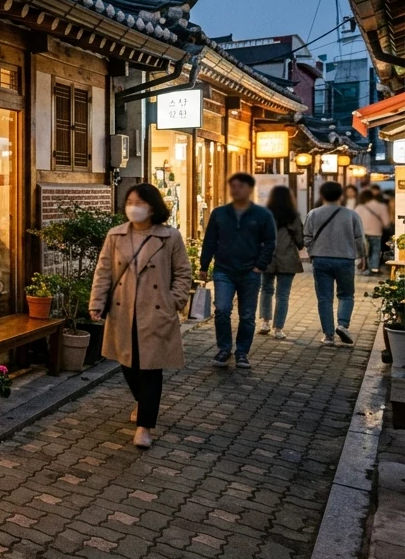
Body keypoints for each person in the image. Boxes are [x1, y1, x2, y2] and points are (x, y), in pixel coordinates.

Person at [89, 183, 191, 449]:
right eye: (130, 202)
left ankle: (144, 426)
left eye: (140, 202)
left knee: (150, 369)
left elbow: (183, 273)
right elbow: (103, 272)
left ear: (153, 206)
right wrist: (97, 303)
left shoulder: (170, 237)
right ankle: (142, 401)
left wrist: (174, 301)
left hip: (155, 311)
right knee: (127, 363)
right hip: (123, 311)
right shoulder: (116, 235)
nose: (133, 207)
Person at [199, 173, 276, 369]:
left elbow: (270, 242)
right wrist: (203, 265)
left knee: (247, 315)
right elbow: (209, 241)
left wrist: (260, 265)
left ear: (249, 189)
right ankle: (224, 348)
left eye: (240, 186)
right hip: (223, 269)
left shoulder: (262, 214)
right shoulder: (219, 213)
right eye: (233, 186)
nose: (236, 190)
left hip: (250, 271)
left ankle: (242, 352)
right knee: (222, 310)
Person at [305, 181, 367, 347]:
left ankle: (329, 336)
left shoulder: (314, 213)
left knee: (324, 298)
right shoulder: (351, 215)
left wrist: (313, 252)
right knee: (346, 295)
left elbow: (307, 237)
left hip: (321, 259)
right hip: (345, 259)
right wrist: (363, 257)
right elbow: (359, 238)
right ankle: (342, 325)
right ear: (341, 195)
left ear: (322, 195)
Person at [258, 185, 304, 340]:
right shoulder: (293, 216)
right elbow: (300, 240)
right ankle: (278, 328)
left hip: (267, 257)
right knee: (283, 294)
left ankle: (265, 322)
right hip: (288, 257)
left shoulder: (264, 214)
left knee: (266, 289)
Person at [356, 187, 391, 275]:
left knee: (364, 252)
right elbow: (386, 222)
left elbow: (354, 221)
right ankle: (374, 269)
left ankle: (364, 268)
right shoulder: (381, 206)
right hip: (376, 233)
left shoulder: (359, 207)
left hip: (362, 233)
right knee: (375, 251)